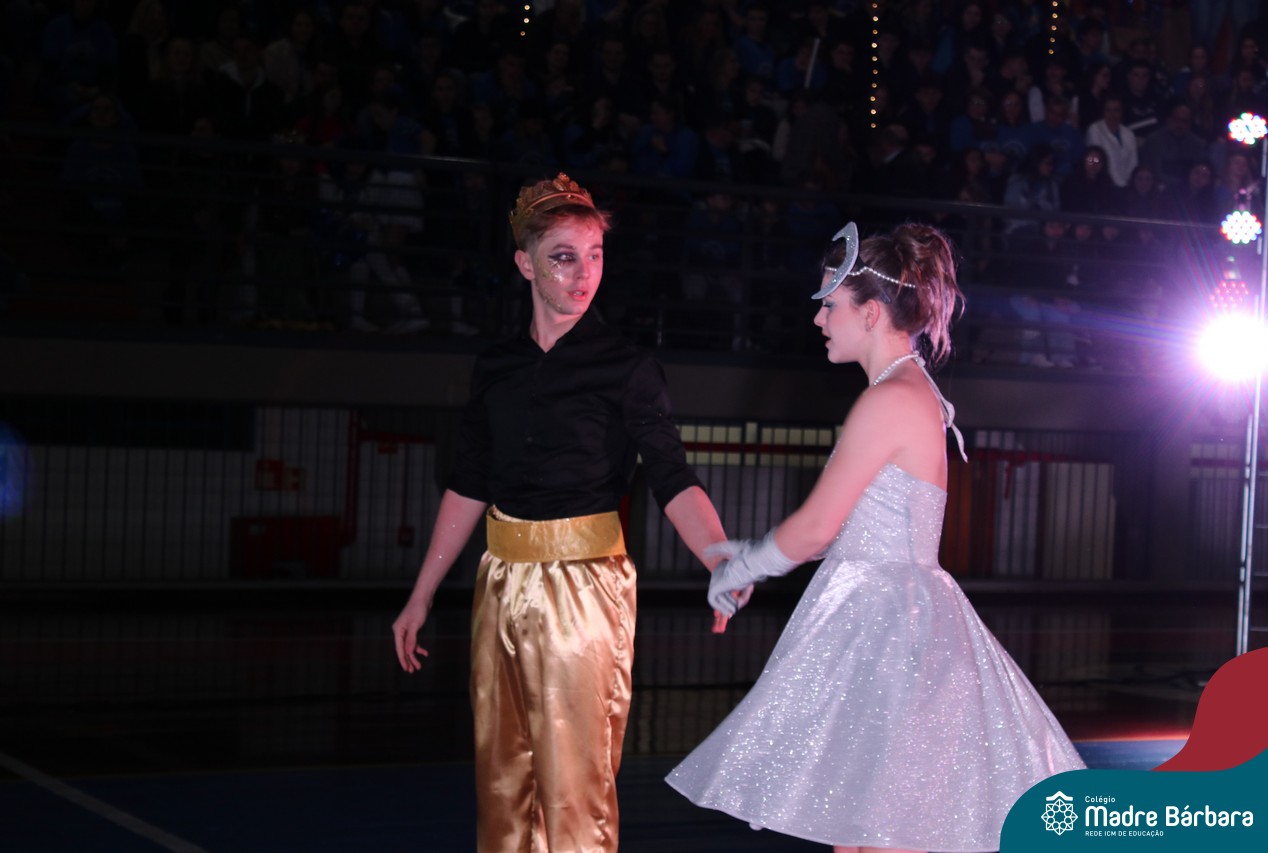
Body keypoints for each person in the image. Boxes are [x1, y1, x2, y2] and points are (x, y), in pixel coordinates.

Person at [667, 221, 1086, 852]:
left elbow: (816, 526)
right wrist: (750, 562)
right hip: (889, 623)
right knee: (863, 832)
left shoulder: (889, 400)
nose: (819, 319)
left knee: (880, 834)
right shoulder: (908, 391)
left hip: (891, 630)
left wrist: (742, 565)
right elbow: (837, 531)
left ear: (868, 314)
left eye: (829, 305)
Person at [391, 173, 731, 852]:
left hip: (584, 587)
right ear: (525, 264)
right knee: (502, 787)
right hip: (498, 583)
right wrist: (421, 594)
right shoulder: (497, 365)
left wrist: (721, 558)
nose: (584, 274)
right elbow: (469, 482)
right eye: (564, 257)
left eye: (595, 255)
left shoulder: (627, 367)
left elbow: (671, 475)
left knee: (574, 793)